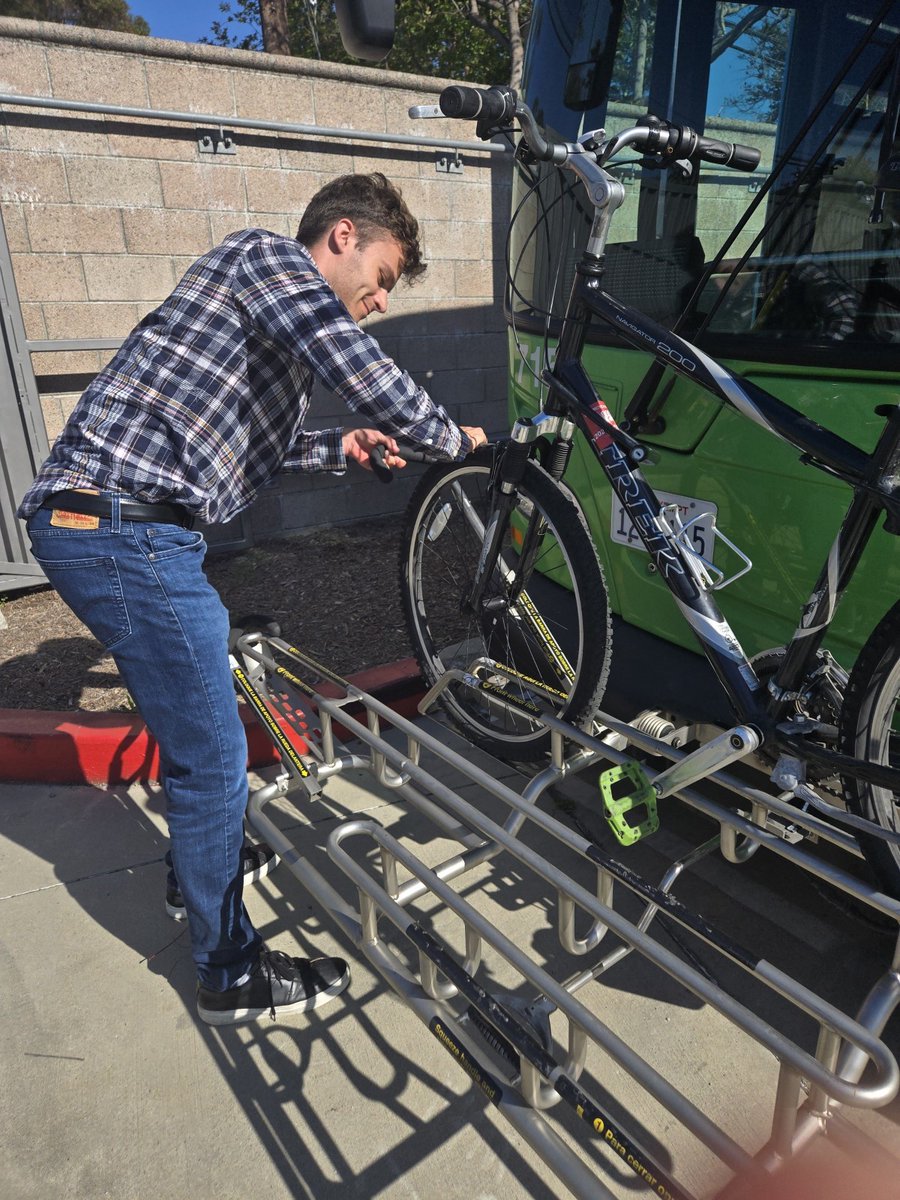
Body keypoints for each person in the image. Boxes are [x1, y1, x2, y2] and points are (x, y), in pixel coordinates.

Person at [18, 172, 487, 1026]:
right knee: (214, 755)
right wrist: (452, 439)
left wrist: (343, 445)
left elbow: (244, 459)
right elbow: (359, 364)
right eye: (381, 277)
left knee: (191, 726)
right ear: (341, 236)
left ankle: (187, 877)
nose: (379, 301)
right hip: (125, 529)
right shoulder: (266, 259)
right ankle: (228, 970)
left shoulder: (259, 318)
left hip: (118, 523)